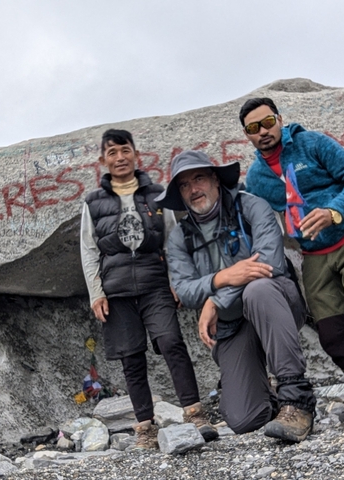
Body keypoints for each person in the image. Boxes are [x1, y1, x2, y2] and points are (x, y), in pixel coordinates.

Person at [239, 97, 344, 435]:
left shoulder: (313, 143)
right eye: (253, 128)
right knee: (332, 333)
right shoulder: (256, 177)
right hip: (313, 256)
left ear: (279, 120)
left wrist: (333, 211)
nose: (263, 131)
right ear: (247, 136)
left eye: (268, 122)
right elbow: (255, 220)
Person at [156, 150, 317, 443]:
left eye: (199, 178)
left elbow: (269, 261)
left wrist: (216, 299)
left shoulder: (251, 206)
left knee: (257, 289)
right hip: (233, 326)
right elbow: (183, 289)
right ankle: (267, 397)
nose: (194, 189)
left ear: (216, 179)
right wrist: (223, 278)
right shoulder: (180, 237)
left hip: (275, 303)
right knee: (244, 420)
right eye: (184, 185)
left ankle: (297, 400)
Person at [80, 129, 218, 449]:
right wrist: (96, 292)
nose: (120, 158)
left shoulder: (156, 193)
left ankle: (195, 412)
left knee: (171, 341)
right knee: (131, 358)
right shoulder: (93, 202)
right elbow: (88, 250)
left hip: (155, 282)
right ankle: (145, 426)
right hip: (116, 291)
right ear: (103, 160)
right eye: (112, 153)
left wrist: (176, 280)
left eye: (125, 150)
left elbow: (173, 240)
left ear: (135, 155)